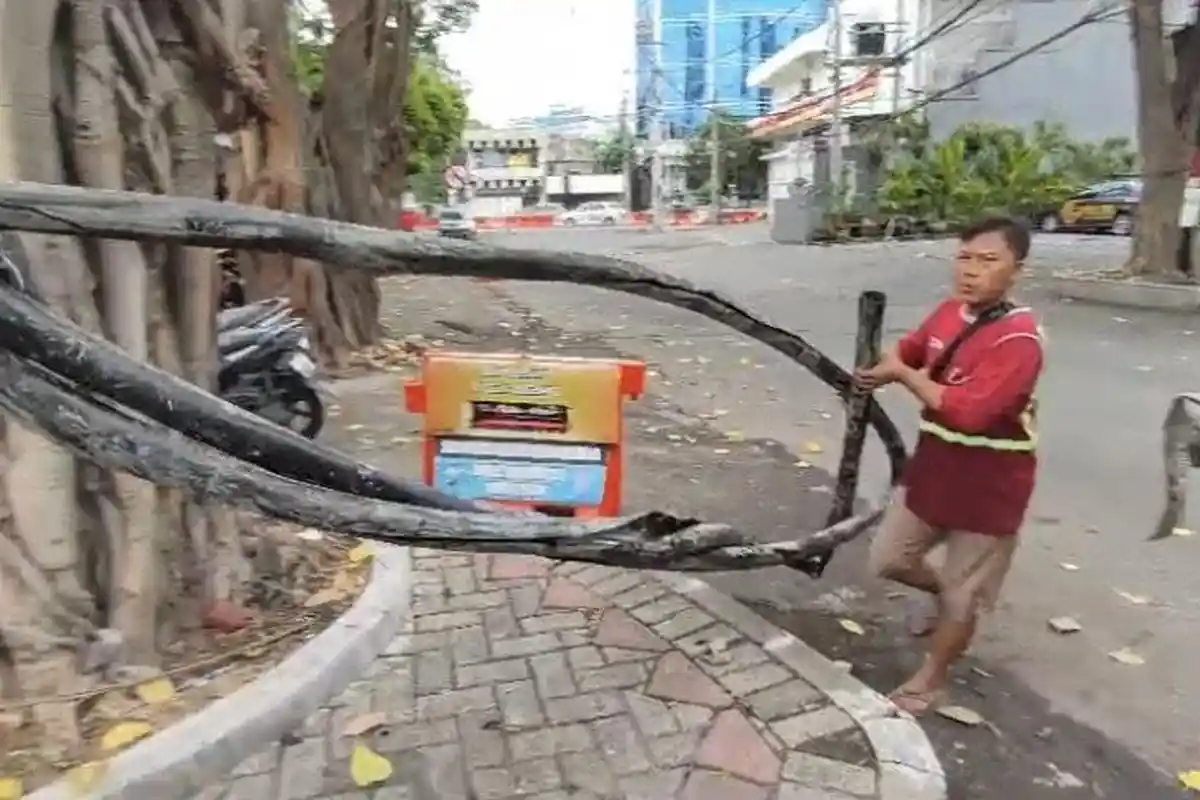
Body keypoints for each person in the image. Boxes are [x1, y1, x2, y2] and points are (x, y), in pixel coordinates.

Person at [854, 215, 1044, 715]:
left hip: (991, 486)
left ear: (1016, 270)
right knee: (890, 559)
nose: (971, 271)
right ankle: (949, 599)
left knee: (964, 595)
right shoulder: (948, 313)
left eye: (988, 261)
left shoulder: (1019, 341)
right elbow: (911, 349)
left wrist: (901, 375)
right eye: (964, 258)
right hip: (935, 469)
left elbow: (968, 411)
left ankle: (931, 679)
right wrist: (885, 365)